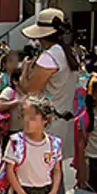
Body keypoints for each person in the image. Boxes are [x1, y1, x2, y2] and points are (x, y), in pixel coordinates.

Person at [20, 8, 80, 157]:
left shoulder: (49, 57)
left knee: (43, 169)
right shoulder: (71, 52)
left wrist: (25, 70)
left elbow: (30, 89)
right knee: (57, 169)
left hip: (49, 121)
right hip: (65, 118)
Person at [0, 62, 27, 153]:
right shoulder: (9, 91)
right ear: (15, 81)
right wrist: (16, 102)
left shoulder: (30, 93)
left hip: (26, 132)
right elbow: (0, 106)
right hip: (12, 132)